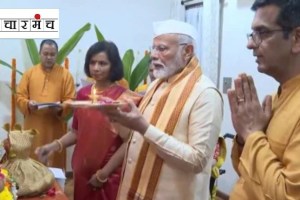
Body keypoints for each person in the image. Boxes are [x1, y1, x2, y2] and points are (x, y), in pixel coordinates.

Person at [102, 19, 223, 200]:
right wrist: (116, 116)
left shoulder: (205, 93)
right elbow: (133, 139)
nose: (154, 55)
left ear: (187, 51)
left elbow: (197, 161)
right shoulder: (157, 85)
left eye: (162, 49)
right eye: (154, 48)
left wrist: (144, 128)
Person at [35, 41, 141, 200]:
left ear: (114, 66)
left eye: (102, 63)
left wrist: (103, 174)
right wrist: (52, 146)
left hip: (110, 175)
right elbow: (77, 132)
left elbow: (129, 142)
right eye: (92, 62)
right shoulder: (83, 94)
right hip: (82, 171)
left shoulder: (124, 98)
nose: (96, 68)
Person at [227, 0, 300, 199]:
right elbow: (245, 172)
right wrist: (244, 137)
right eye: (252, 34)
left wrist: (252, 134)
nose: (250, 44)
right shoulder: (278, 96)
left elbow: (287, 195)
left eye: (263, 33)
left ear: (296, 38)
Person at [16, 39, 76, 169]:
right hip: (33, 127)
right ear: (39, 54)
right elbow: (20, 97)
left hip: (54, 127)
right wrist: (28, 104)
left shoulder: (66, 75)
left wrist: (61, 107)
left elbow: (70, 99)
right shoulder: (29, 73)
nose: (49, 57)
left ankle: (55, 189)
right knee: (32, 162)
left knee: (53, 163)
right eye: (45, 53)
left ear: (57, 55)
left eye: (52, 54)